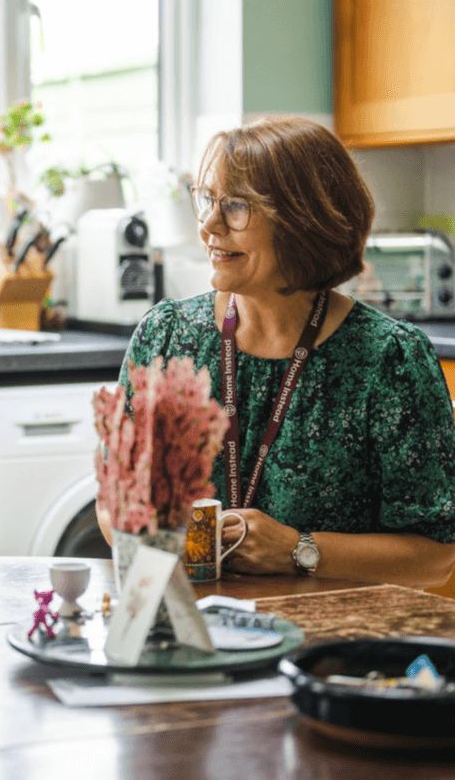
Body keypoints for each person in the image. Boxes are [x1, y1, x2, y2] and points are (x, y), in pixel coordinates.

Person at [98, 116, 455, 588]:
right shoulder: (165, 338)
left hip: (329, 650)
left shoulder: (388, 360)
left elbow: (435, 557)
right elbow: (112, 503)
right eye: (207, 200)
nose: (208, 225)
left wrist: (298, 549)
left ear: (303, 220)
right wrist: (155, 536)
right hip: (195, 634)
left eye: (237, 207)